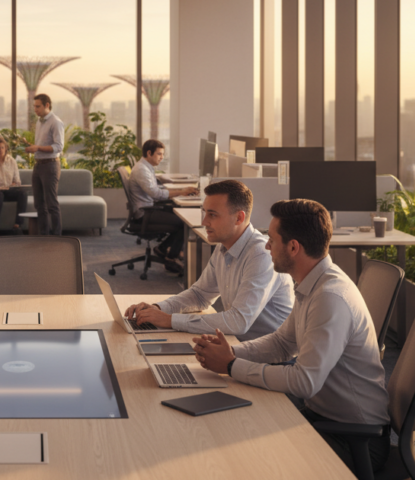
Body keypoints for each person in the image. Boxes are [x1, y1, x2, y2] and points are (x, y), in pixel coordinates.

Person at [191, 199, 391, 473]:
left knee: (242, 458)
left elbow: (304, 381)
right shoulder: (313, 282)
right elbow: (283, 343)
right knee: (230, 429)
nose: (266, 246)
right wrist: (232, 353)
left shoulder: (330, 298)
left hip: (353, 439)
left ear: (293, 247)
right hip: (321, 416)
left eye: (272, 240)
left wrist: (230, 366)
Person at [125, 179, 293, 339]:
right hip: (239, 345)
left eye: (212, 215)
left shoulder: (261, 255)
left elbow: (238, 322)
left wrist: (169, 320)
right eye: (205, 213)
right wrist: (157, 309)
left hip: (272, 360)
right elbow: (199, 295)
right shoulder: (223, 246)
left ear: (239, 218)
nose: (204, 222)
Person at [126, 139, 198, 275]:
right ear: (149, 153)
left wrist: (178, 189)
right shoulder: (142, 170)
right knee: (185, 221)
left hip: (149, 208)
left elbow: (154, 189)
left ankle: (163, 249)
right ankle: (170, 259)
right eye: (159, 154)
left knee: (182, 213)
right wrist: (182, 191)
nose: (162, 157)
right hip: (145, 214)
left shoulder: (146, 167)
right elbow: (155, 193)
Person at [24, 93, 65, 235]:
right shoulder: (39, 122)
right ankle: (44, 236)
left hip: (50, 166)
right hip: (38, 165)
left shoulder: (56, 122)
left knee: (51, 204)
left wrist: (38, 148)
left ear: (47, 105)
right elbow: (41, 145)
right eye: (34, 106)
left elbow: (59, 147)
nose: (35, 109)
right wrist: (31, 147)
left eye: (38, 106)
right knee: (39, 204)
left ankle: (58, 238)